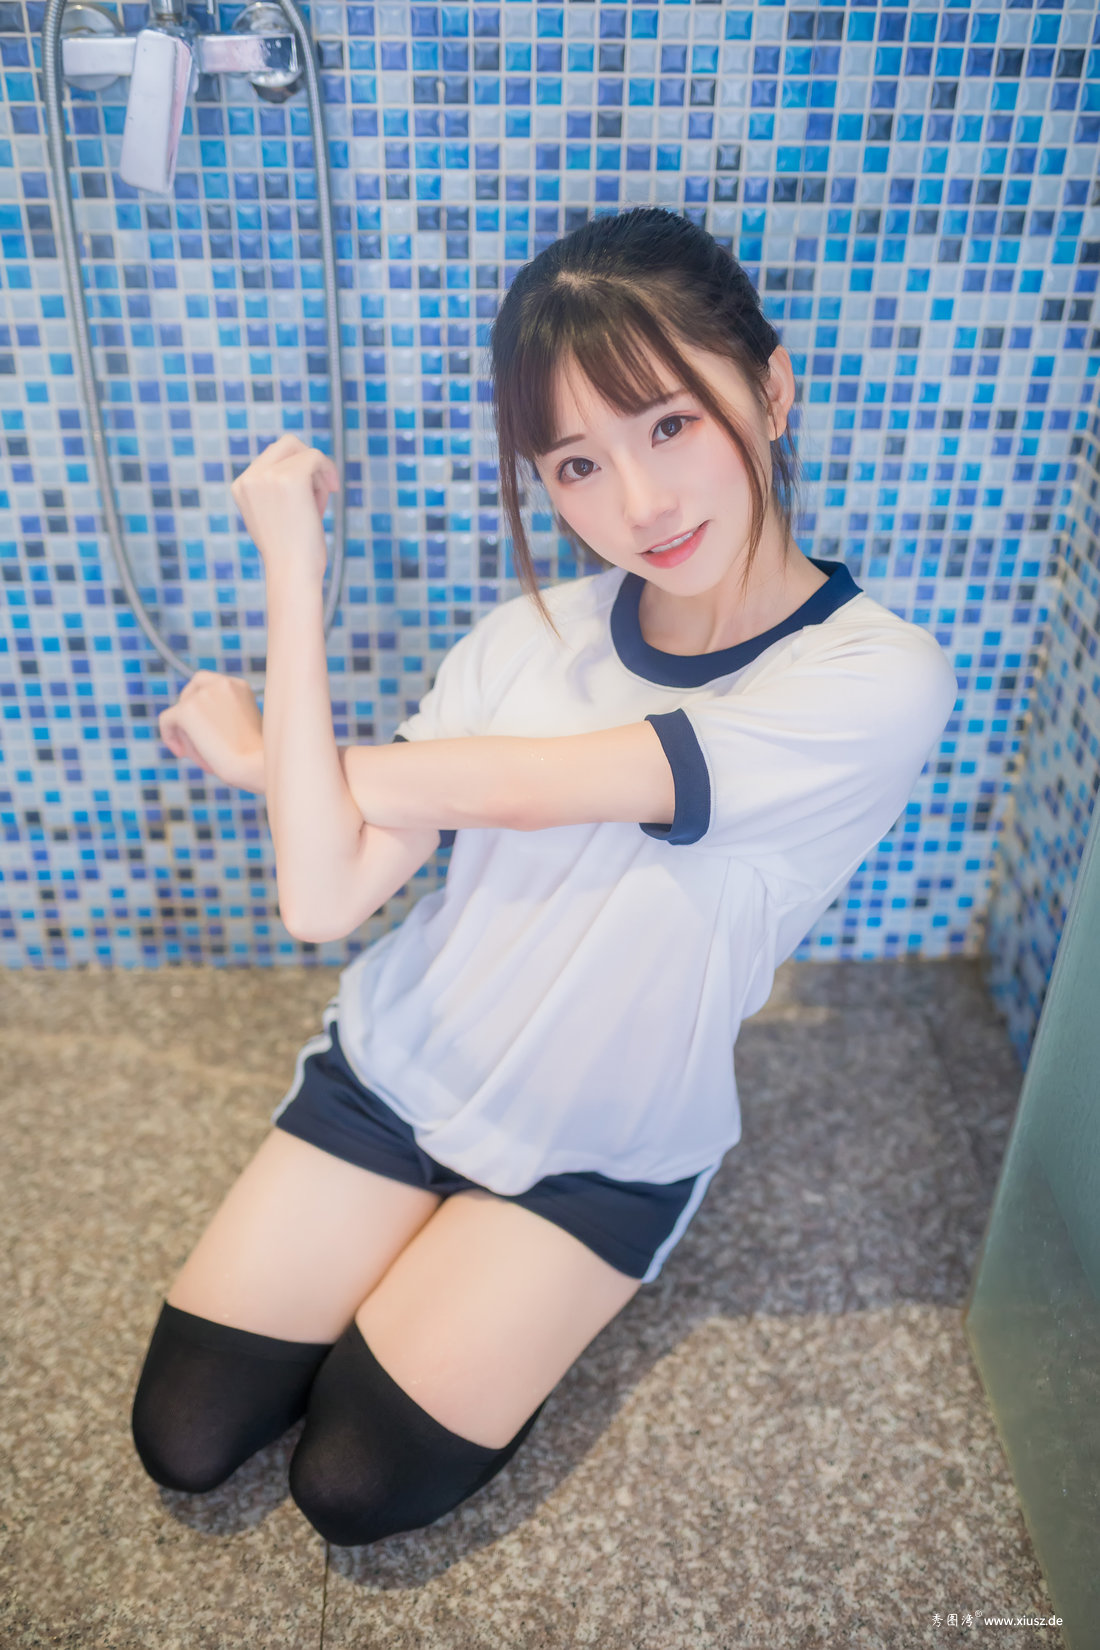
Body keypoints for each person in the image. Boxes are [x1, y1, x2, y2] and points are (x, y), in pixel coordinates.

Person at [133, 206, 958, 1547]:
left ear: (772, 388)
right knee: (185, 1436)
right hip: (400, 1072)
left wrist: (257, 756)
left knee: (351, 1484)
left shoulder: (874, 678)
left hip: (601, 1153)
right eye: (577, 462)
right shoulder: (525, 638)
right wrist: (293, 566)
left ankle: (500, 1263)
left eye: (671, 424)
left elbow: (537, 784)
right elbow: (324, 897)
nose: (639, 503)